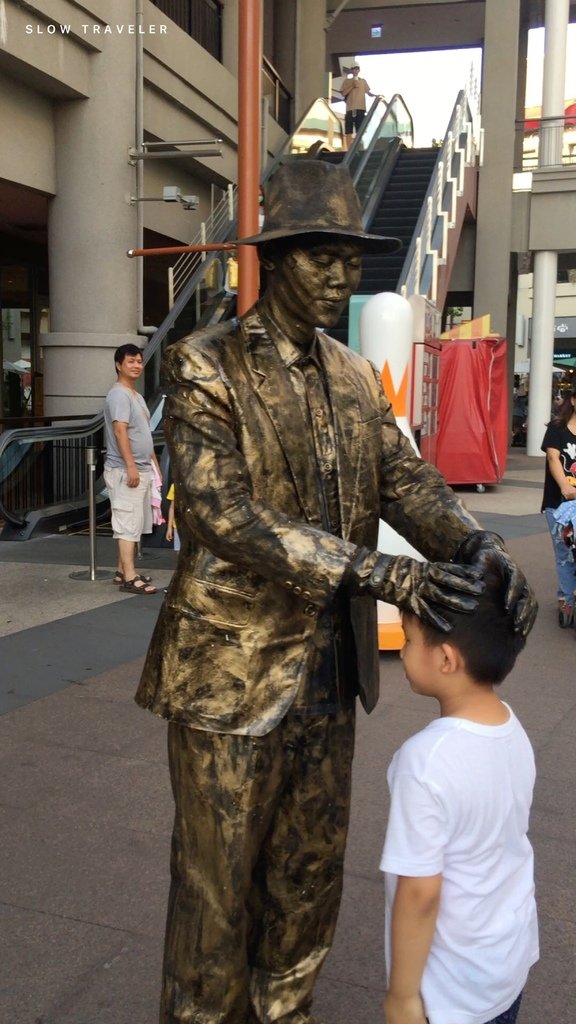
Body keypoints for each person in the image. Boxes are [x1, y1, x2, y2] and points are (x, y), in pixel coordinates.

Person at [135, 160, 536, 1024]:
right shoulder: (206, 366)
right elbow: (220, 514)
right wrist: (383, 571)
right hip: (230, 684)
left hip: (328, 679)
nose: (342, 275)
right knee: (215, 899)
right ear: (275, 259)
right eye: (321, 256)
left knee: (306, 885)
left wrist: (476, 543)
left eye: (351, 258)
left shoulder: (355, 376)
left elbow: (407, 481)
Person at [380, 552, 538, 1024]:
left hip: (449, 993)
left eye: (409, 641)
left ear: (446, 658)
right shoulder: (512, 727)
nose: (404, 652)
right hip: (504, 967)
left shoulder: (424, 762)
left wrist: (403, 997)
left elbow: (419, 893)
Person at [103, 343, 159, 594]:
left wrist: (154, 464)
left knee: (134, 522)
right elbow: (119, 430)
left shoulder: (135, 395)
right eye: (131, 361)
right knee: (127, 523)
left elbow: (143, 433)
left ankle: (122, 570)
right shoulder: (119, 395)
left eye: (139, 361)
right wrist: (131, 466)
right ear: (118, 365)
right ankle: (129, 577)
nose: (137, 365)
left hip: (141, 467)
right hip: (126, 470)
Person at [540, 387, 576, 626]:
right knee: (565, 554)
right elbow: (553, 458)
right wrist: (565, 486)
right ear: (574, 400)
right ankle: (566, 599)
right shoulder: (557, 429)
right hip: (559, 503)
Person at [341, 63, 373, 148]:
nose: (355, 70)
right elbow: (343, 93)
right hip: (350, 109)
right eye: (353, 69)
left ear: (359, 70)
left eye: (357, 69)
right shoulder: (347, 81)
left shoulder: (363, 81)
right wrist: (352, 85)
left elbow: (368, 92)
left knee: (360, 130)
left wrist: (375, 96)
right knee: (348, 130)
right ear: (351, 70)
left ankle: (359, 147)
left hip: (361, 108)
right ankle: (348, 150)